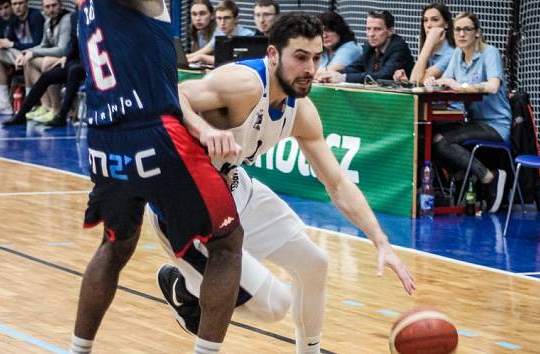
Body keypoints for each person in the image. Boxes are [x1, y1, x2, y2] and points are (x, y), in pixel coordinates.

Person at [151, 12, 415, 354]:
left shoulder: (301, 111)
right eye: (300, 57)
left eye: (317, 57)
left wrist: (381, 241)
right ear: (274, 55)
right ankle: (185, 289)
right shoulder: (244, 85)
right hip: (187, 207)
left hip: (234, 188)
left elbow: (336, 182)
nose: (310, 68)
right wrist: (205, 130)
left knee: (315, 264)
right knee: (274, 306)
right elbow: (172, 93)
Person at [69, 1, 244, 354]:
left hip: (104, 136)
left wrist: (197, 124)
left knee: (114, 244)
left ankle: (78, 350)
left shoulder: (87, 9)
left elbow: (165, 80)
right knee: (226, 243)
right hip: (152, 133)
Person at [426, 11, 511, 213]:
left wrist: (461, 86)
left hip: (496, 125)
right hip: (473, 123)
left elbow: (493, 86)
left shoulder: (489, 53)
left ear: (477, 33)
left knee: (442, 141)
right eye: (457, 29)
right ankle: (464, 175)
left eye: (467, 29)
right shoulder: (457, 54)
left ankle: (489, 177)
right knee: (429, 138)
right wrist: (434, 83)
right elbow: (447, 83)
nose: (462, 34)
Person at [3, 10, 83, 126]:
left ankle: (61, 115)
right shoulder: (75, 16)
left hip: (92, 61)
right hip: (75, 59)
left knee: (73, 71)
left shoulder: (97, 15)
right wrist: (66, 56)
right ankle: (21, 115)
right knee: (47, 76)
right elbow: (72, 41)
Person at [0, 0, 44, 114]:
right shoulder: (13, 19)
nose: (17, 7)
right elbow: (8, 41)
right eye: (15, 4)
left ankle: (30, 102)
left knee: (27, 59)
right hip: (20, 54)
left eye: (20, 3)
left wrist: (12, 45)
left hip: (36, 54)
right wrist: (1, 44)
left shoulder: (35, 16)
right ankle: (1, 101)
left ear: (27, 3)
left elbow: (38, 44)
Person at [317, 10, 414, 84]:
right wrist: (331, 75)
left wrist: (343, 78)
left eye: (377, 29)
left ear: (390, 31)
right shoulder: (369, 46)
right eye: (368, 29)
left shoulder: (398, 47)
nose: (371, 34)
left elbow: (384, 76)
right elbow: (353, 68)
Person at [14, 0, 70, 123]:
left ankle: (56, 109)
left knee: (46, 63)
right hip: (57, 57)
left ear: (61, 5)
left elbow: (62, 49)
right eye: (47, 7)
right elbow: (43, 45)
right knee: (28, 61)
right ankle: (46, 106)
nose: (51, 9)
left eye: (54, 5)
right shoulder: (48, 22)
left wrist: (33, 53)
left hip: (69, 58)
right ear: (43, 8)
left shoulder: (67, 19)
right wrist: (25, 53)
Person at [393, 3, 455, 84]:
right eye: (425, 20)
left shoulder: (451, 54)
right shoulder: (430, 48)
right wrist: (406, 82)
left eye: (435, 20)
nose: (428, 25)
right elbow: (414, 81)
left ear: (446, 24)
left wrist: (428, 44)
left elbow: (417, 81)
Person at [187, 0, 254, 66]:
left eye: (227, 18)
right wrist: (181, 58)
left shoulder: (247, 36)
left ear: (236, 19)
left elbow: (235, 61)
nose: (222, 23)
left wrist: (204, 58)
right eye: (219, 18)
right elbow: (201, 52)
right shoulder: (219, 33)